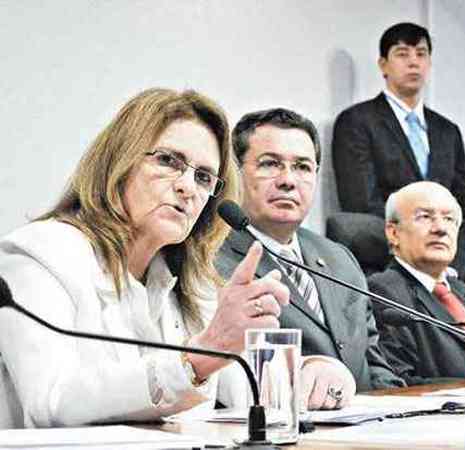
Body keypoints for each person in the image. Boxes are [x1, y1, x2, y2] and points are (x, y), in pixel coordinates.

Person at [0, 89, 353, 429]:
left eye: (203, 177)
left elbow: (243, 387)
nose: (188, 187)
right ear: (117, 162)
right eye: (169, 161)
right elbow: (50, 402)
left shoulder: (186, 279)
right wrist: (196, 358)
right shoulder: (38, 254)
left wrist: (316, 371)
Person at [215, 108, 404, 392]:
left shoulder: (340, 257)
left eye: (303, 167)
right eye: (270, 164)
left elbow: (373, 361)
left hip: (365, 426)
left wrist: (399, 409)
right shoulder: (213, 261)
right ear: (235, 172)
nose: (288, 180)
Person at [332, 22, 465, 278]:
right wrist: (414, 260)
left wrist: (451, 267)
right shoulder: (357, 121)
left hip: (446, 275)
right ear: (383, 64)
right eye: (402, 53)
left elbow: (463, 209)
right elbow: (362, 203)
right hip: (385, 271)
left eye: (421, 54)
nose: (413, 62)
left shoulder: (448, 131)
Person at [368, 182, 465, 385]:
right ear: (393, 233)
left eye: (449, 219)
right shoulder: (383, 291)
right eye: (425, 217)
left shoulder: (463, 292)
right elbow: (399, 382)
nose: (441, 228)